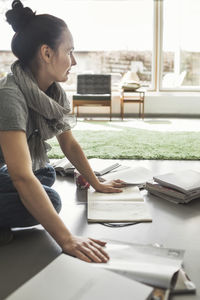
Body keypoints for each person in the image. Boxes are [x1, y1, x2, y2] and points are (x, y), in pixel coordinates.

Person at [0, 0, 125, 262]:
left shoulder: (51, 93)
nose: (75, 60)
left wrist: (96, 183)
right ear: (46, 53)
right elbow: (22, 177)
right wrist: (66, 239)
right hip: (9, 170)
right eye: (69, 51)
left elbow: (69, 144)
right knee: (52, 201)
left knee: (44, 171)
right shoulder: (9, 96)